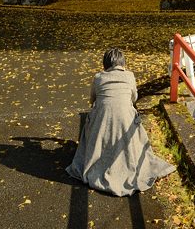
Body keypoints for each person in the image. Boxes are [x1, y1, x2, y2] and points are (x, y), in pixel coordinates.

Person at [65, 48, 175, 196]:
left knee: (93, 119)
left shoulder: (98, 78)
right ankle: (126, 165)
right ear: (123, 63)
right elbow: (134, 98)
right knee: (131, 119)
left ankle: (96, 159)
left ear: (105, 64)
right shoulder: (130, 76)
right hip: (125, 121)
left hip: (103, 120)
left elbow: (92, 100)